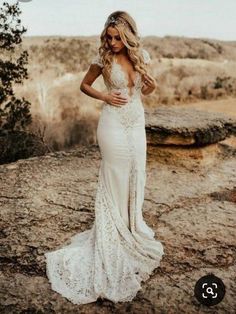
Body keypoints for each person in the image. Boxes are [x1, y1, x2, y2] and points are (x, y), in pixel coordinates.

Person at [44, 10, 164, 305]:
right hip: (111, 124)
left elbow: (146, 91)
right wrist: (105, 97)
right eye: (108, 37)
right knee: (115, 174)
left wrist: (149, 82)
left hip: (136, 122)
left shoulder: (142, 55)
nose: (111, 43)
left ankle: (131, 226)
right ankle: (112, 235)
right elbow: (84, 85)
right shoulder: (102, 60)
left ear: (127, 37)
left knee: (137, 171)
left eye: (116, 38)